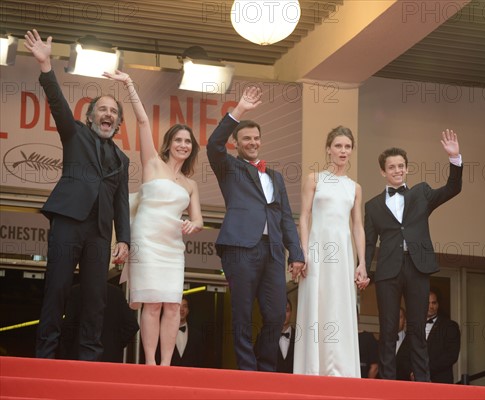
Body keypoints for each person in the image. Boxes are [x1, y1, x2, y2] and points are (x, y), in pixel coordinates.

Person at [24, 30, 130, 361]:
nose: (108, 115)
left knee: (96, 299)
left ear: (117, 124)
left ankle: (88, 360)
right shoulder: (75, 135)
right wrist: (45, 65)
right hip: (69, 221)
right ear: (91, 116)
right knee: (57, 290)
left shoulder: (122, 160)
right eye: (102, 110)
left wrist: (123, 238)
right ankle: (46, 355)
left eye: (113, 112)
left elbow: (121, 203)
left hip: (99, 232)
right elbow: (56, 101)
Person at [107, 70, 203, 366]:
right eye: (178, 140)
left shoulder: (190, 184)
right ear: (169, 143)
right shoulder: (152, 164)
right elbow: (143, 121)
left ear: (192, 148)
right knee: (152, 304)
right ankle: (149, 364)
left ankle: (165, 366)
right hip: (147, 241)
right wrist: (129, 85)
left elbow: (198, 220)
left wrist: (192, 224)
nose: (183, 145)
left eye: (188, 141)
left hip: (173, 246)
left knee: (173, 305)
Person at [206, 87, 304, 371]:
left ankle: (266, 367)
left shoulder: (275, 176)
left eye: (256, 138)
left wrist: (296, 253)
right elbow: (213, 144)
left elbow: (286, 216)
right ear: (236, 143)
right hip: (240, 248)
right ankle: (247, 370)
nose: (252, 142)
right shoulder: (229, 168)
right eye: (246, 138)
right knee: (242, 313)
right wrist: (239, 111)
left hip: (273, 251)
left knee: (275, 315)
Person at [364, 129, 463, 381]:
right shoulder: (372, 206)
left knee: (417, 329)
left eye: (401, 166)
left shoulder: (421, 193)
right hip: (388, 271)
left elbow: (452, 188)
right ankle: (387, 383)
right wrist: (363, 268)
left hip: (418, 267)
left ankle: (423, 383)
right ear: (383, 171)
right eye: (392, 167)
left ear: (406, 169)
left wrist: (455, 158)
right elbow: (368, 242)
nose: (397, 170)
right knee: (388, 329)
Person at [294, 126, 369, 377]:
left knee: (339, 303)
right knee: (317, 301)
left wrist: (361, 263)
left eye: (347, 146)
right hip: (316, 249)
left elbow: (357, 226)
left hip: (343, 254)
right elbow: (303, 217)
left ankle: (341, 372)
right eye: (338, 146)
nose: (343, 151)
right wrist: (302, 252)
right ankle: (313, 369)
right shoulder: (314, 179)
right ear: (328, 149)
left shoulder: (355, 188)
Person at [59, 283, 139, 363]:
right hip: (110, 358)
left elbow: (67, 327)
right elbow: (132, 325)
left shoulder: (76, 291)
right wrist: (115, 344)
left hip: (79, 356)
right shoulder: (116, 292)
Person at [425, 290, 461, 384]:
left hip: (440, 381)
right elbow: (407, 352)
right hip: (415, 382)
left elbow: (451, 355)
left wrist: (425, 369)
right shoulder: (415, 326)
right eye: (427, 303)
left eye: (434, 303)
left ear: (438, 304)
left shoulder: (450, 326)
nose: (431, 306)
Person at [170, 297, 204, 367]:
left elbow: (200, 361)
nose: (181, 309)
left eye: (184, 306)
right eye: (179, 306)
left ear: (188, 310)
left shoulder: (197, 336)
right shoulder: (164, 334)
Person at [276, 298, 296, 373]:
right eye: (280, 310)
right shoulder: (263, 337)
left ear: (291, 312)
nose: (284, 314)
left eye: (287, 310)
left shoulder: (301, 338)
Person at [358, 311, 379, 379]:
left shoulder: (369, 338)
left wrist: (366, 386)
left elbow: (374, 367)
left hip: (363, 384)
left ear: (358, 317)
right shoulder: (341, 339)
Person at [395, 307, 411, 381]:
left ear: (405, 320)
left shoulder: (412, 342)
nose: (396, 320)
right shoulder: (381, 342)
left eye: (400, 317)